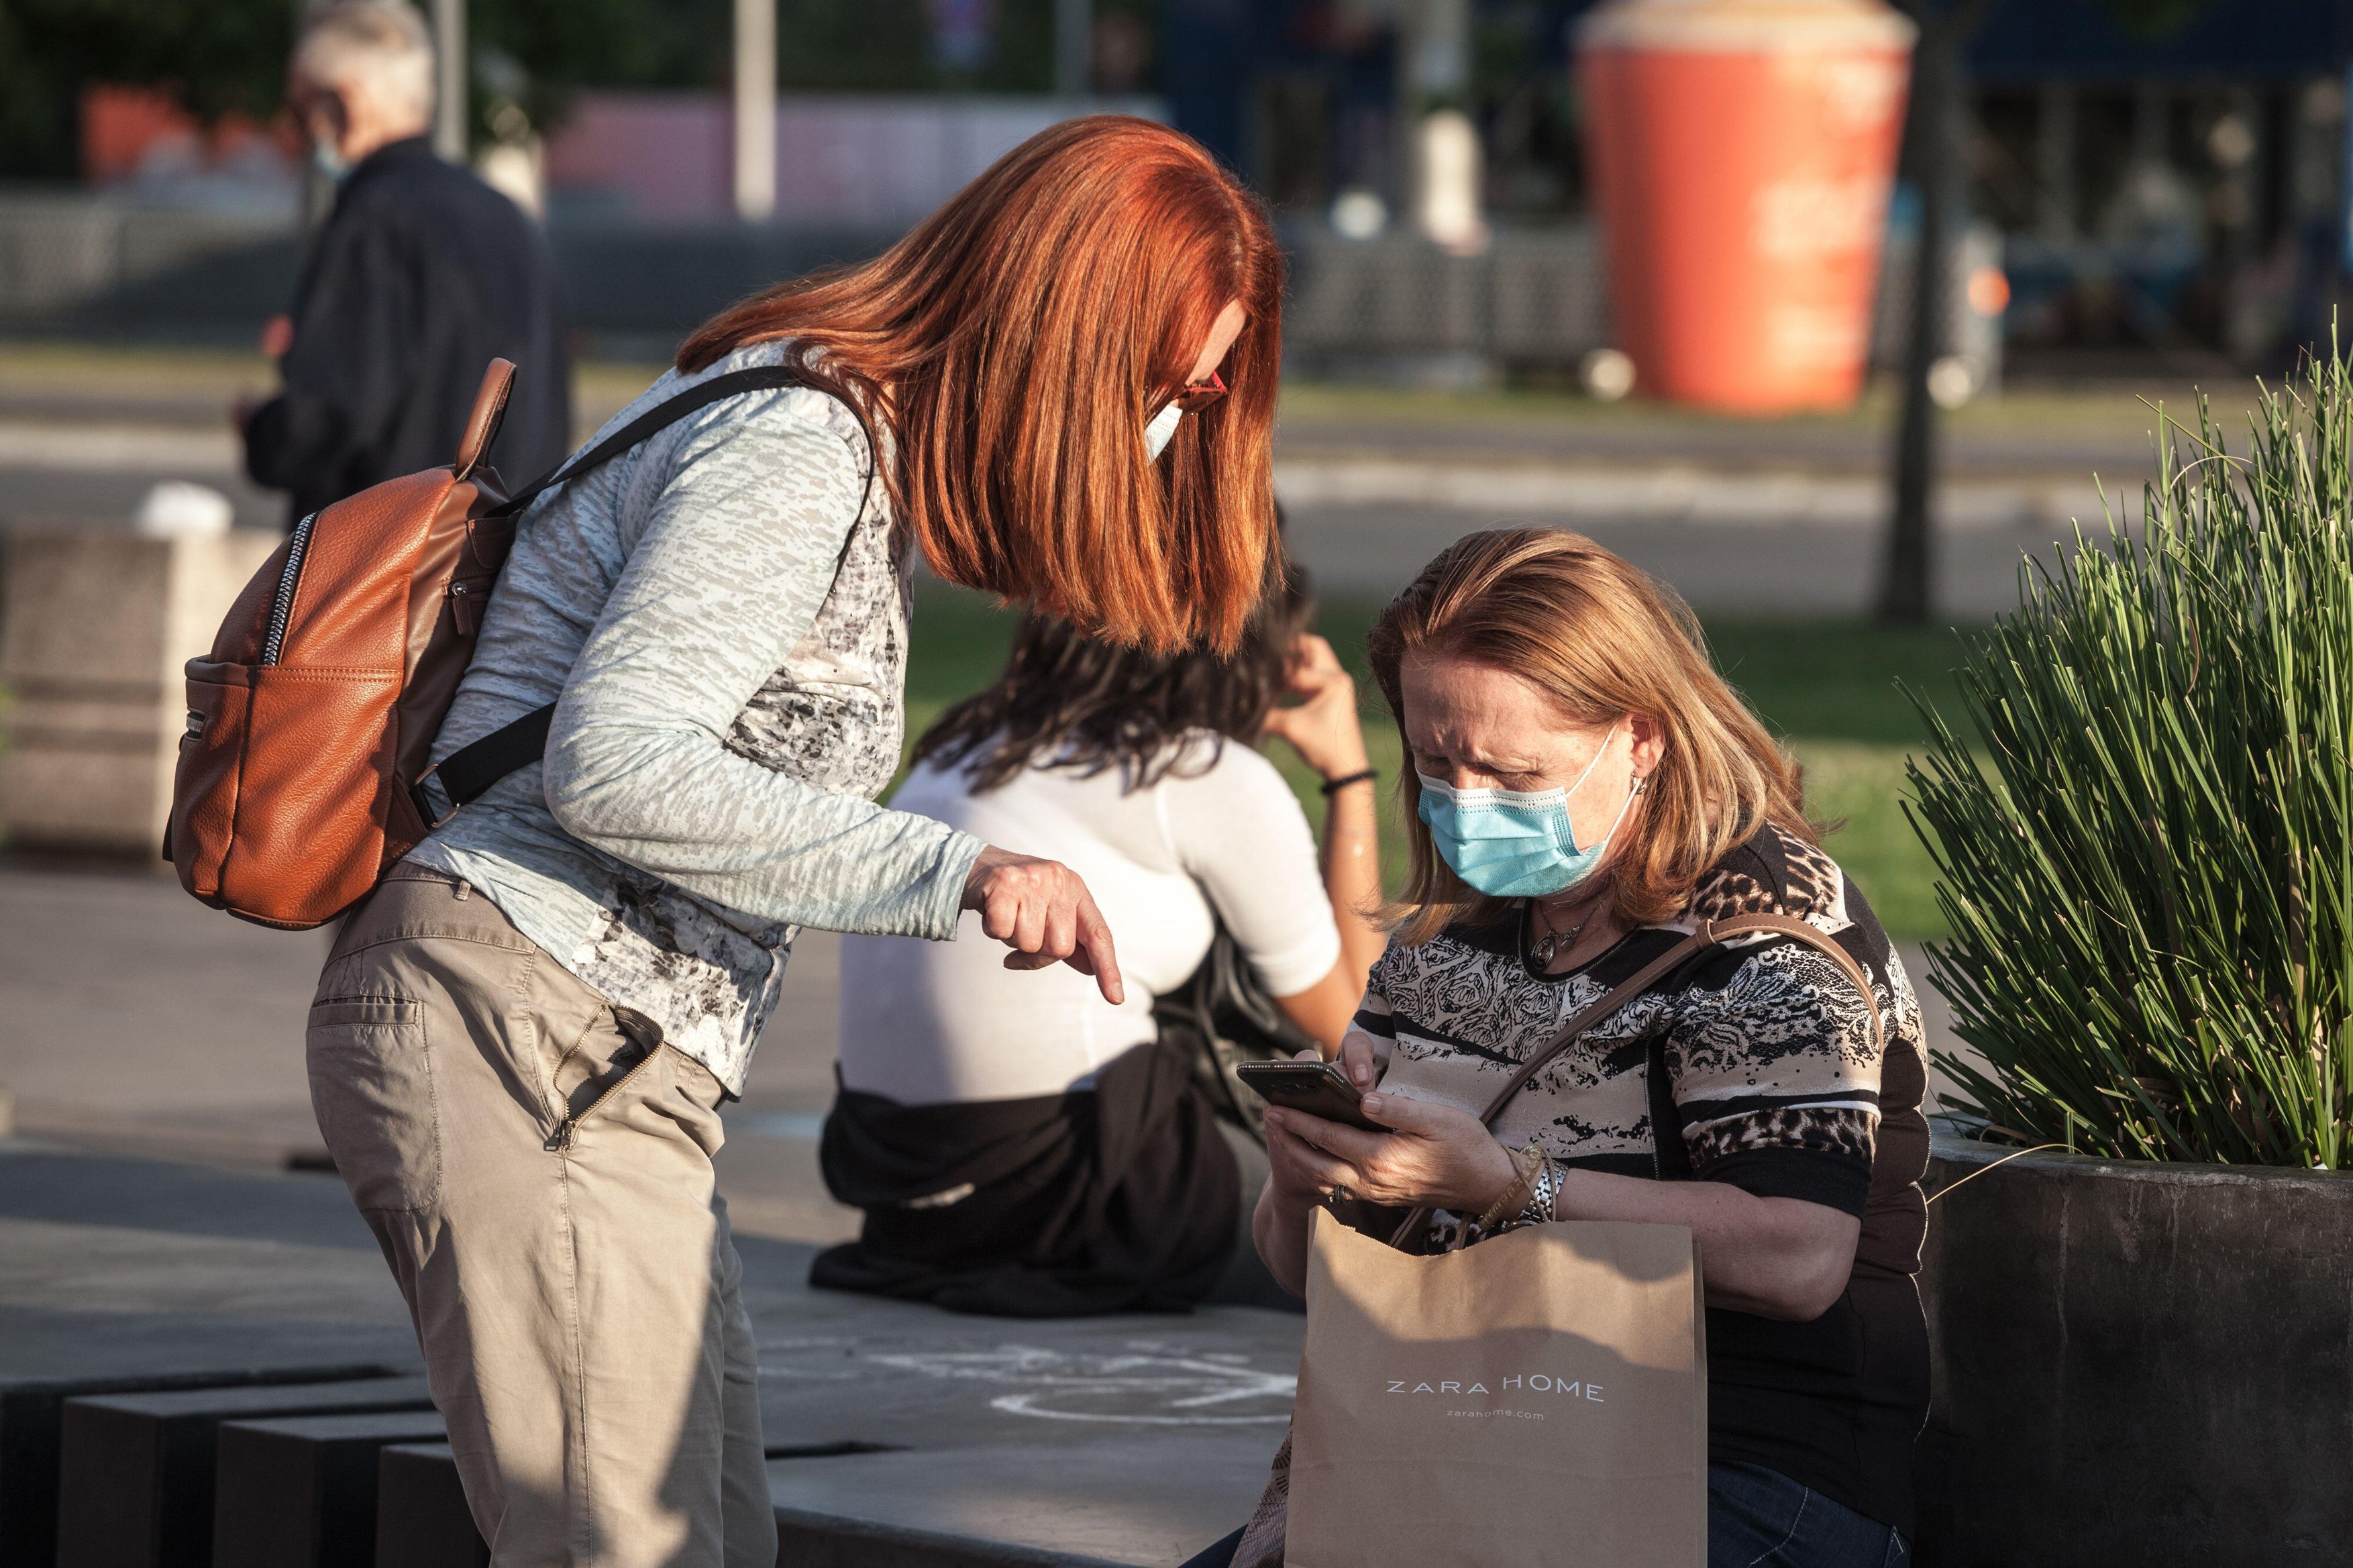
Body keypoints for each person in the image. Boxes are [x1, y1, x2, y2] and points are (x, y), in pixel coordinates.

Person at [305, 117, 1282, 1566]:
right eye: (1175, 381)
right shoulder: (799, 443)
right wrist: (957, 870)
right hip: (527, 1021)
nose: (1181, 418)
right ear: (1070, 335)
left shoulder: (822, 432)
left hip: (602, 1057)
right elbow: (616, 763)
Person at [1204, 528, 1929, 1568]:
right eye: (1434, 759)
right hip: (1477, 1445)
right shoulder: (1453, 934)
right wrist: (1303, 1174)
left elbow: (1799, 1256)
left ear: (1639, 738)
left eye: (1510, 770)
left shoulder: (1761, 929)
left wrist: (1510, 1186)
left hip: (1740, 1470)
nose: (1465, 801)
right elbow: (1300, 1273)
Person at [821, 558, 1384, 1316]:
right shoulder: (1203, 771)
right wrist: (1348, 775)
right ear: (1248, 652)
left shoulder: (958, 751)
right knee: (1385, 1238)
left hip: (910, 1198)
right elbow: (1358, 1026)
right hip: (1085, 1197)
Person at [240, 1, 570, 524]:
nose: (298, 132)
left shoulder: (373, 218)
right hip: (507, 560)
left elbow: (330, 417)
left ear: (343, 104)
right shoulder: (509, 217)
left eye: (300, 113)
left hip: (391, 570)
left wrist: (264, 429)